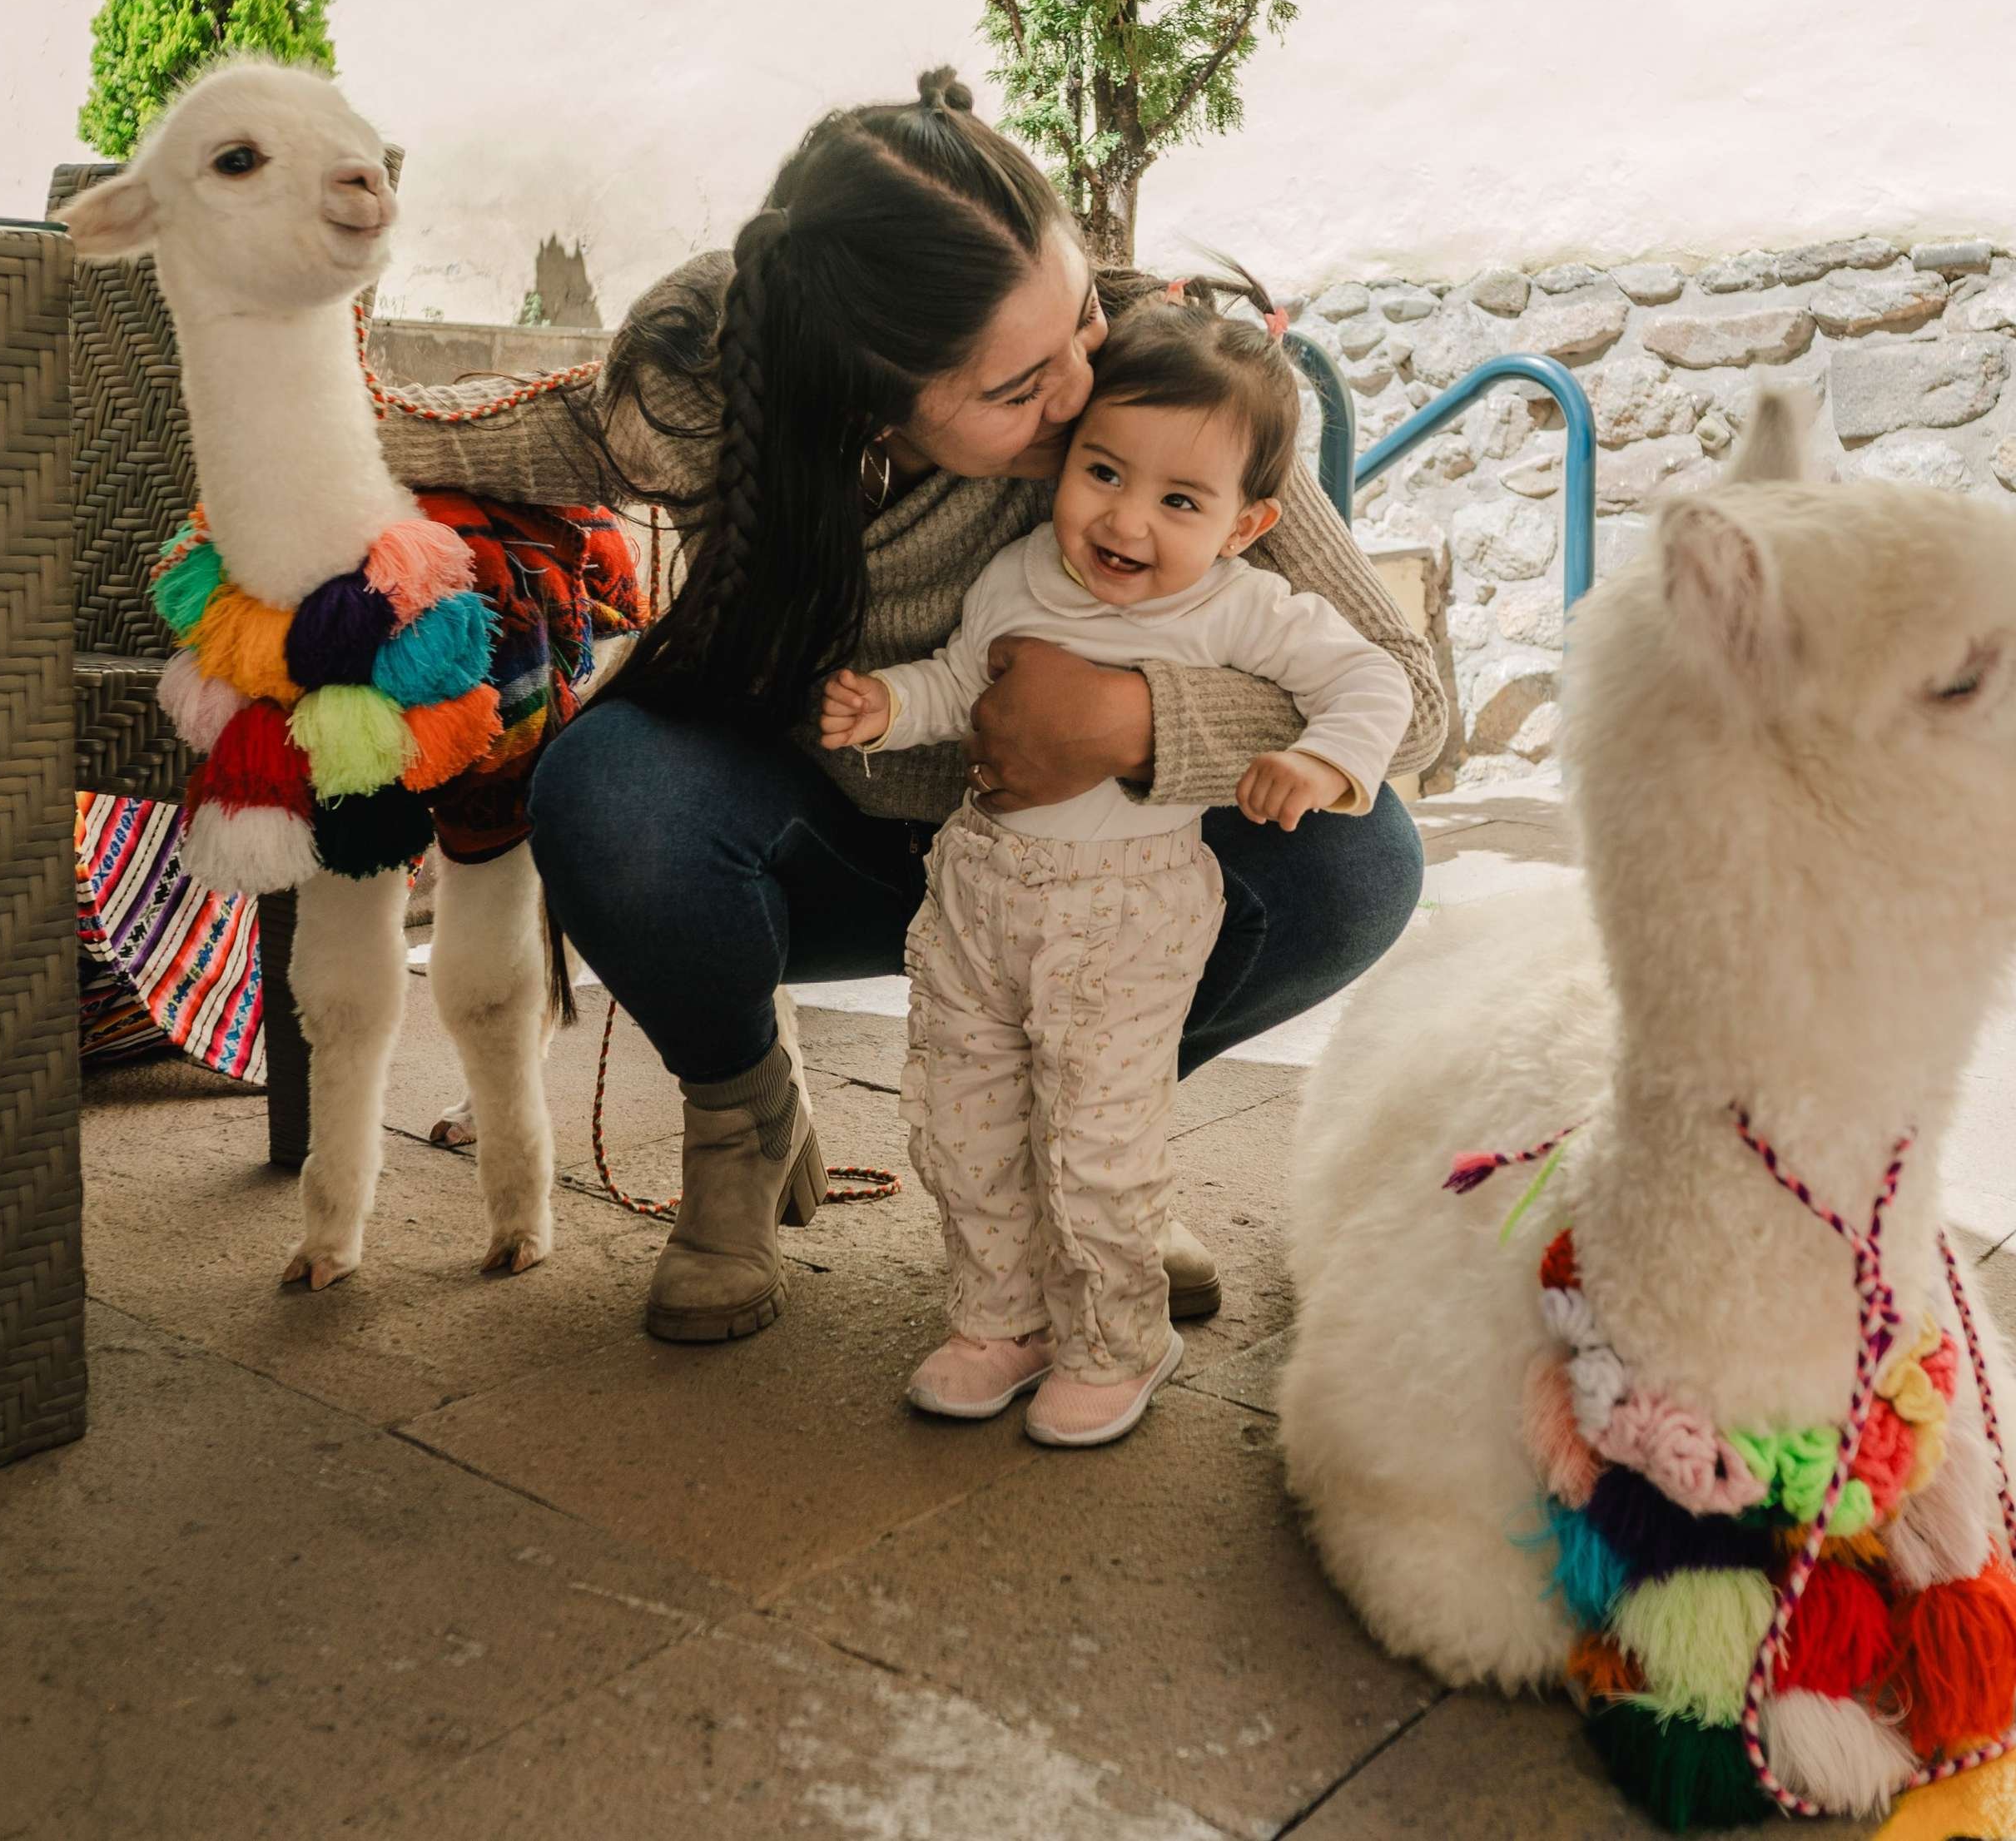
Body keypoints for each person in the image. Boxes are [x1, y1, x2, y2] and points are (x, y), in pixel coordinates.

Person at [379, 68, 1447, 1345]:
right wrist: (274, 406)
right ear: (862, 392)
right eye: (1019, 390)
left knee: (1358, 851)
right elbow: (498, 432)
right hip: (825, 839)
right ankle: (739, 1121)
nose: (1076, 400)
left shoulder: (1155, 372)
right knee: (610, 793)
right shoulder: (711, 383)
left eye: (1077, 342)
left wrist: (1134, 722)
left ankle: (1102, 1139)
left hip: (1097, 872)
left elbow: (1412, 692)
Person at [819, 268, 1413, 1444]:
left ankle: (1116, 1338)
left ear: (1245, 524)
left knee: (1098, 1145)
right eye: (1104, 473)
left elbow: (1375, 675)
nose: (1126, 522)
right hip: (980, 902)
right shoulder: (1016, 574)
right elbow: (964, 679)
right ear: (1067, 456)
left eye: (1180, 501)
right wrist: (890, 704)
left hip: (1125, 920)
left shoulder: (1237, 608)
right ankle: (1001, 1322)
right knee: (966, 1124)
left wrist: (1325, 763)